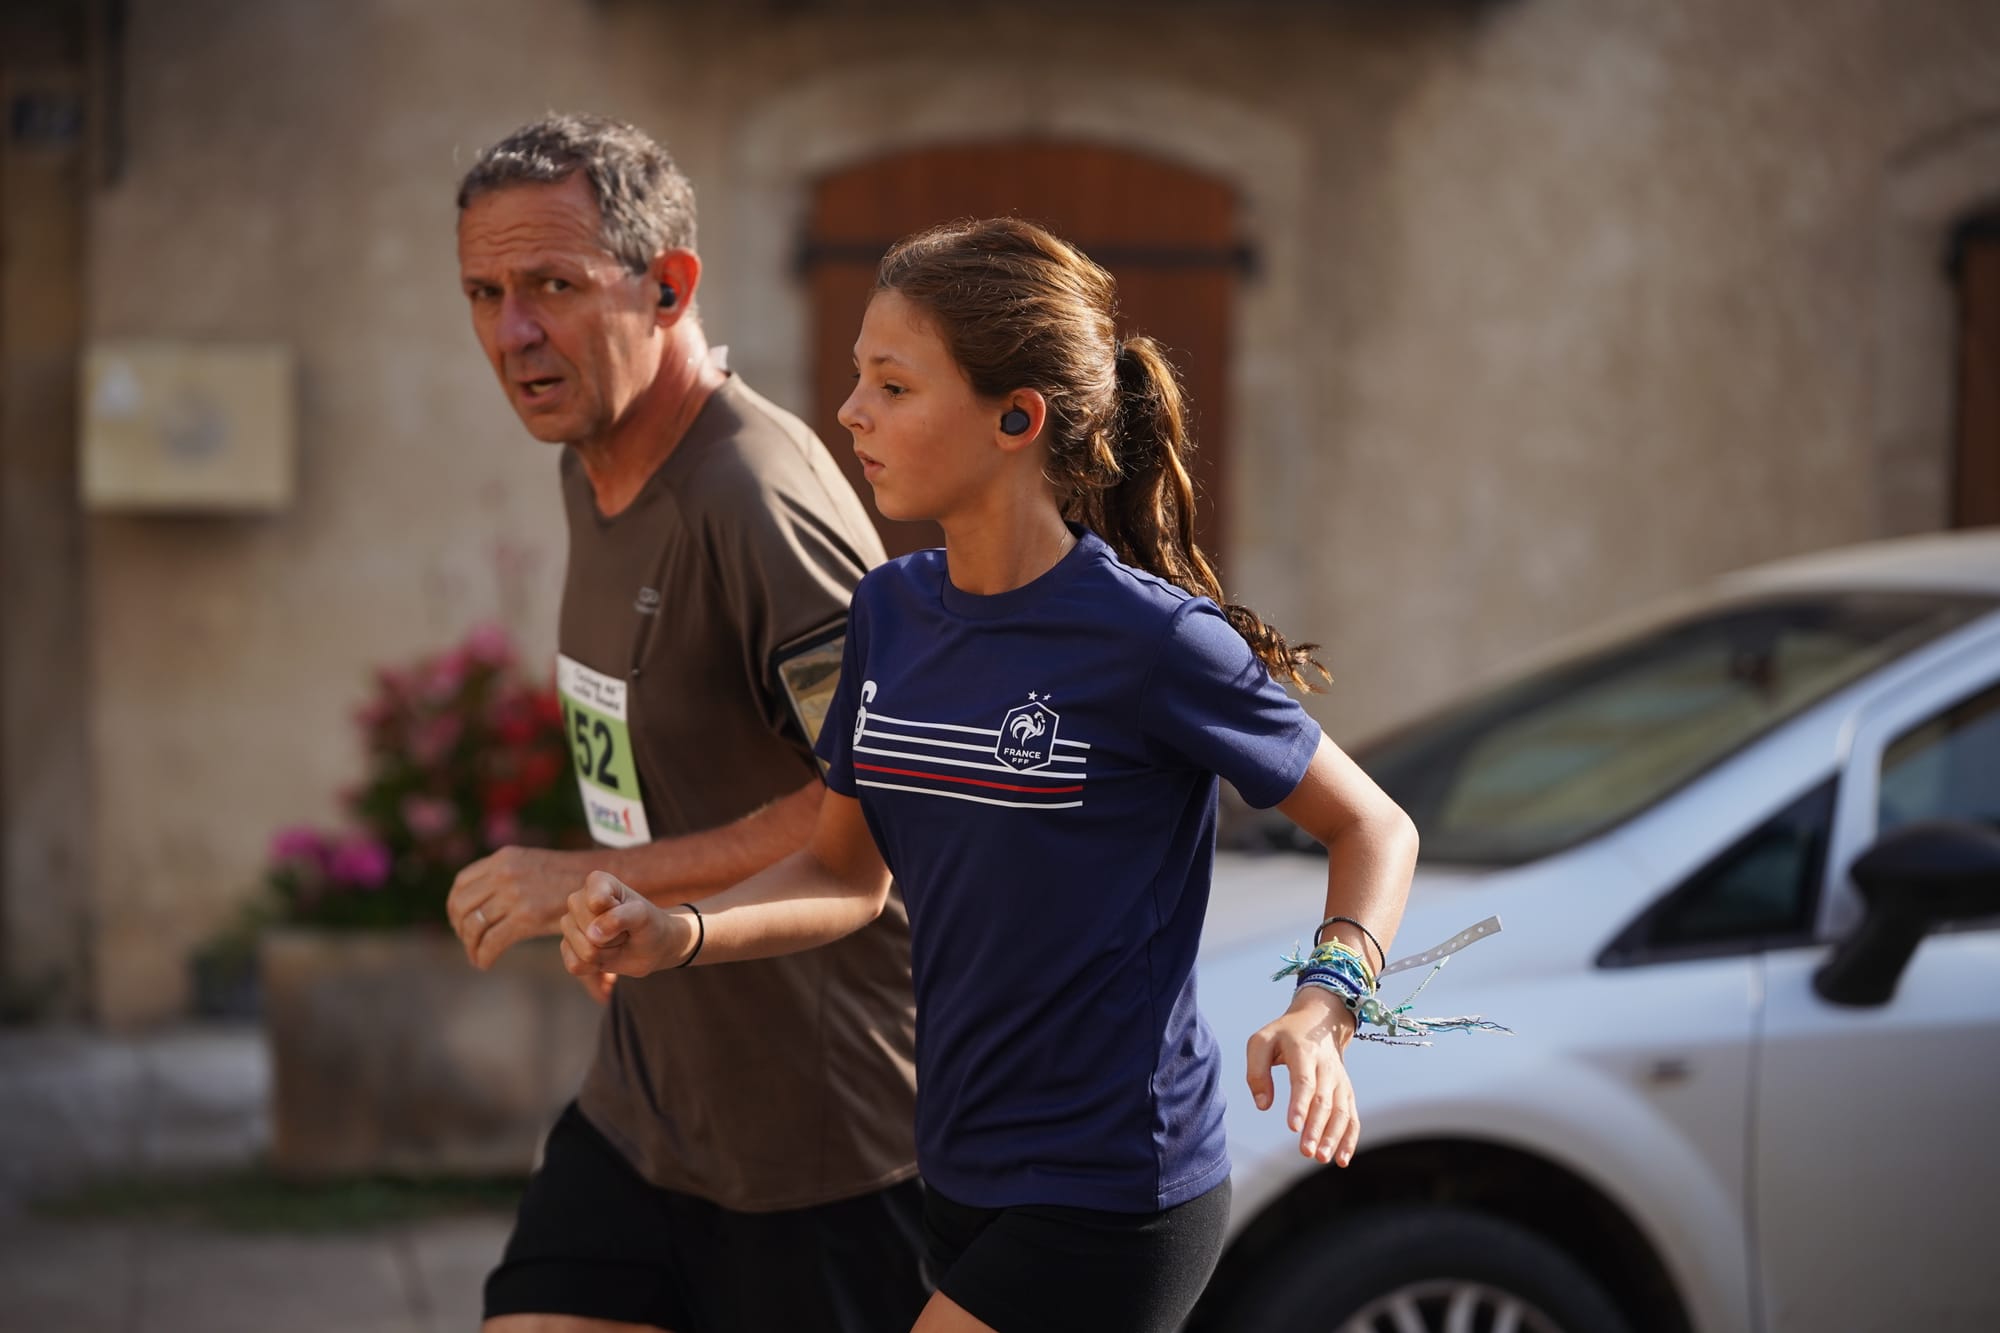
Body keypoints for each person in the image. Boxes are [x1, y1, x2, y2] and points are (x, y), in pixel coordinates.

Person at [559, 217, 1420, 1333]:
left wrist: (1323, 1008)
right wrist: (680, 928)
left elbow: (1373, 828)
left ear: (1017, 419)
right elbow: (841, 872)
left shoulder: (1150, 642)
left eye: (894, 385)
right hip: (956, 1172)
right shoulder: (887, 612)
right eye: (857, 377)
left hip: (1114, 1188)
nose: (850, 412)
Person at [448, 114, 927, 1333]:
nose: (513, 334)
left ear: (670, 286)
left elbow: (868, 817)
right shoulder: (591, 454)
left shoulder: (757, 498)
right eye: (485, 292)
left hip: (820, 1143)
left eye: (552, 285)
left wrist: (589, 876)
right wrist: (617, 908)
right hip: (645, 1106)